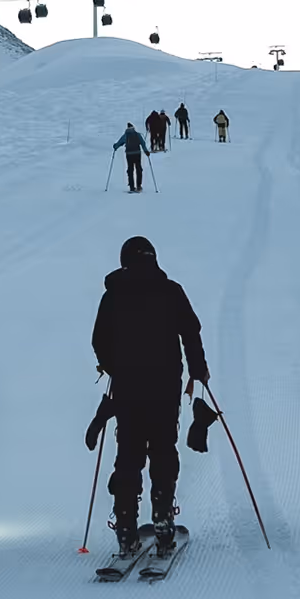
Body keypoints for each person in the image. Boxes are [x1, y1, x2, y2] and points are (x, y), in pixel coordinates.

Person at [93, 236, 209, 557]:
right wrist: (198, 371)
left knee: (129, 454)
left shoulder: (113, 295)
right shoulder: (171, 291)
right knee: (162, 449)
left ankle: (127, 528)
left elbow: (99, 339)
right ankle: (162, 519)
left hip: (128, 388)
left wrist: (116, 368)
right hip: (164, 385)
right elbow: (191, 332)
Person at [113, 122, 147, 192]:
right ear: (133, 128)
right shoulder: (138, 134)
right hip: (137, 153)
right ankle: (139, 186)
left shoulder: (126, 135)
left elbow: (119, 143)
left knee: (130, 169)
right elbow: (143, 143)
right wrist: (146, 151)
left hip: (129, 154)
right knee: (138, 168)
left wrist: (115, 146)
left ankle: (131, 187)